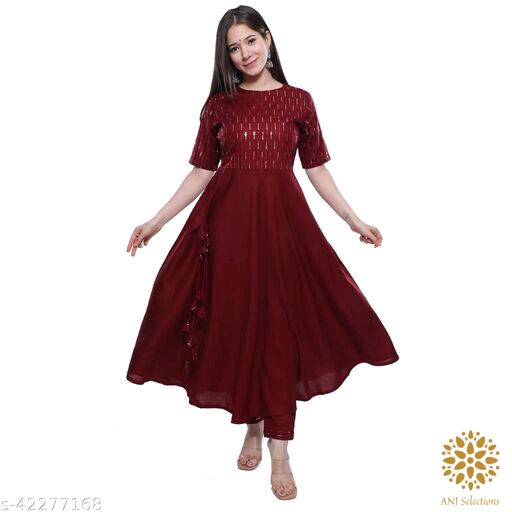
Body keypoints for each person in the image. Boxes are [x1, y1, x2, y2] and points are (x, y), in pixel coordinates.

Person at [125, 5, 399, 500]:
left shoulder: (299, 101)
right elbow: (201, 171)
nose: (244, 53)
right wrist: (155, 222)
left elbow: (316, 169)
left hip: (283, 229)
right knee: (239, 323)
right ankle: (251, 425)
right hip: (227, 229)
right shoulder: (219, 106)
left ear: (268, 39)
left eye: (250, 41)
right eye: (233, 48)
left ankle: (280, 448)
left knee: (278, 327)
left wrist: (354, 220)